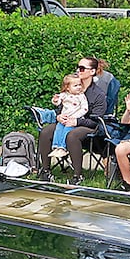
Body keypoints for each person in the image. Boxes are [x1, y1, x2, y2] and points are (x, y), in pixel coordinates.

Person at [36, 56, 111, 184]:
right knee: (46, 132)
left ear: (92, 72)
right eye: (78, 67)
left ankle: (77, 175)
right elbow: (61, 107)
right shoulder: (71, 88)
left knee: (72, 135)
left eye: (82, 68)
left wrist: (77, 122)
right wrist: (59, 116)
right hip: (66, 122)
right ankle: (45, 171)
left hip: (87, 125)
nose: (78, 70)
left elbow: (96, 120)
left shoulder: (98, 95)